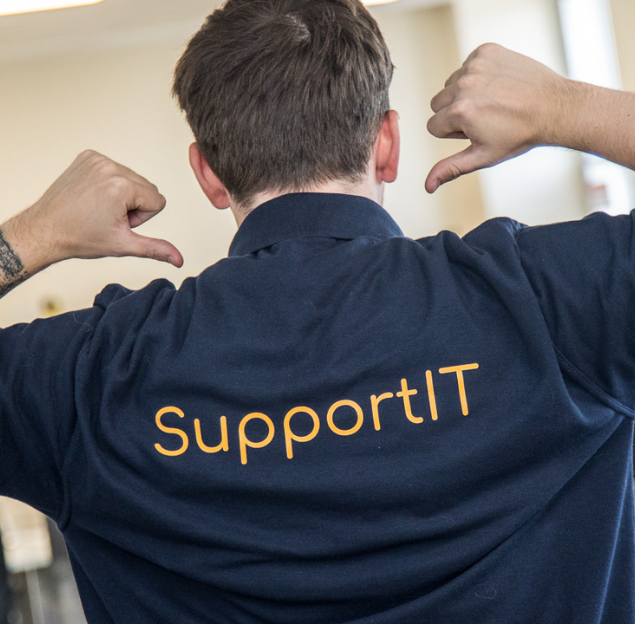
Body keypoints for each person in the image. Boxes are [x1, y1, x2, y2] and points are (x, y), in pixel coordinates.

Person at [0, 0, 633, 622]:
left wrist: (32, 235)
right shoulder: (544, 297)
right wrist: (567, 107)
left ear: (208, 175)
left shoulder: (93, 378)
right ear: (388, 145)